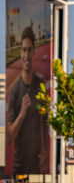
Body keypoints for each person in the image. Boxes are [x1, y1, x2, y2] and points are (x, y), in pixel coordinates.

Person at [7, 27, 49, 174]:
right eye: (23, 50)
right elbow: (9, 137)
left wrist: (46, 149)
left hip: (36, 162)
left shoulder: (40, 85)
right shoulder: (15, 91)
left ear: (33, 52)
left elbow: (45, 119)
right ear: (20, 53)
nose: (26, 55)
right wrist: (22, 114)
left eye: (29, 50)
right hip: (19, 164)